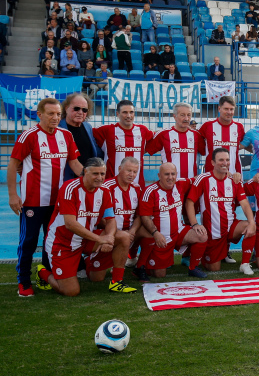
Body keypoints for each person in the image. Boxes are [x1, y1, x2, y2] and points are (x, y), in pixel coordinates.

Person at [8, 98, 84, 297]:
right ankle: (23, 281)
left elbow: (75, 164)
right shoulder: (29, 136)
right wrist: (13, 195)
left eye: (58, 114)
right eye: (51, 114)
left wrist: (91, 178)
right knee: (29, 241)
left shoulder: (66, 135)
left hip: (58, 203)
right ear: (39, 115)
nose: (55, 118)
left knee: (52, 241)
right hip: (33, 201)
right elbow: (12, 164)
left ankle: (45, 275)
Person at [35, 158, 135, 296]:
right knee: (71, 291)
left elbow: (111, 220)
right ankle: (42, 272)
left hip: (86, 239)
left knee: (123, 237)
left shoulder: (105, 191)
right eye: (95, 174)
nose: (100, 178)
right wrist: (100, 239)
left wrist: (109, 237)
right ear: (84, 173)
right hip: (63, 244)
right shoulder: (69, 188)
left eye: (102, 174)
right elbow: (70, 224)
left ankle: (116, 282)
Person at [185, 148, 257, 275]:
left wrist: (252, 222)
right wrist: (195, 224)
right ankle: (209, 254)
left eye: (227, 160)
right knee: (214, 268)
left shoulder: (235, 180)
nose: (225, 163)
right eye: (221, 160)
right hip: (212, 232)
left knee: (249, 226)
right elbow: (189, 202)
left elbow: (244, 203)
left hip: (230, 227)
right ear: (212, 163)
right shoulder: (203, 179)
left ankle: (245, 264)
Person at [134, 163, 208, 281]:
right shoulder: (150, 191)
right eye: (166, 174)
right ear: (159, 175)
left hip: (178, 232)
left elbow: (200, 178)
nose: (170, 177)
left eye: (173, 174)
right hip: (161, 237)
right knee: (159, 274)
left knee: (202, 235)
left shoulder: (181, 184)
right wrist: (155, 233)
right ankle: (142, 264)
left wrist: (228, 174)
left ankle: (193, 268)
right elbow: (145, 217)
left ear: (176, 175)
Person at [92, 99, 153, 188]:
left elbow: (158, 140)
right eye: (125, 112)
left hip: (137, 185)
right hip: (111, 185)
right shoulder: (107, 130)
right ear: (117, 114)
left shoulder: (143, 130)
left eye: (131, 112)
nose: (129, 116)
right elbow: (85, 133)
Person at [146, 102, 206, 180]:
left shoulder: (196, 135)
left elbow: (205, 152)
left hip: (191, 183)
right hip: (170, 183)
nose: (186, 119)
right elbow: (145, 150)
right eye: (182, 115)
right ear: (175, 116)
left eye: (189, 115)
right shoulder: (163, 134)